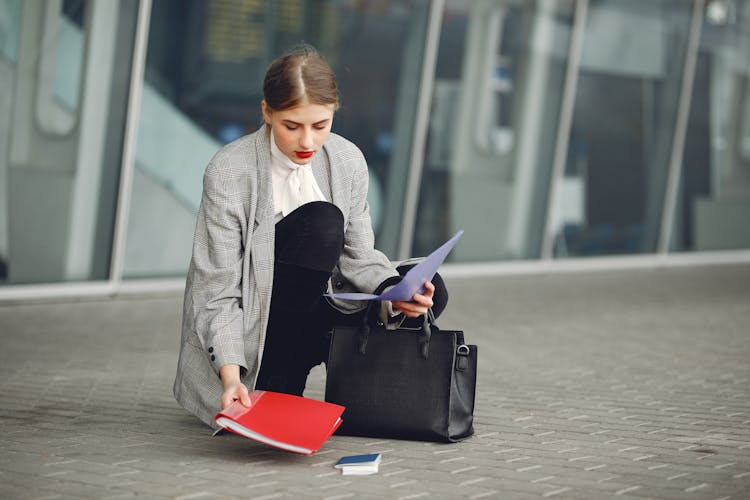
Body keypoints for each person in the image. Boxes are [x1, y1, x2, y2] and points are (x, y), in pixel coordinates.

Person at [173, 45, 447, 428]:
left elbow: (359, 254)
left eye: (320, 125)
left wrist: (395, 292)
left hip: (320, 306)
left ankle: (354, 392)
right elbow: (216, 288)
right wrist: (231, 376)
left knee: (429, 288)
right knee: (321, 222)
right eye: (292, 126)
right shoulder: (229, 172)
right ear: (267, 112)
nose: (307, 142)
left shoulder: (347, 160)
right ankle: (276, 382)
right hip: (259, 323)